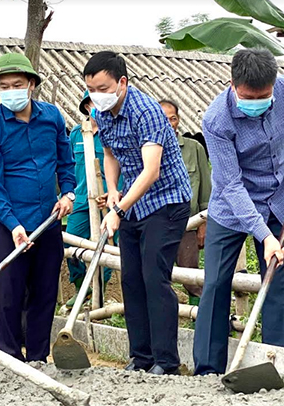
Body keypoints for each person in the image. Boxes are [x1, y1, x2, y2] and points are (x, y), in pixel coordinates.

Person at [193, 49, 284, 376]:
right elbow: (231, 185)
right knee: (216, 283)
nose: (257, 101)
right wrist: (265, 236)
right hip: (232, 208)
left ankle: (278, 365)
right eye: (249, 96)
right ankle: (207, 369)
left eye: (264, 96)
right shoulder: (216, 119)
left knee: (276, 286)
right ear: (233, 84)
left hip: (279, 200)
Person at [85, 51, 192, 375]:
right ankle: (140, 357)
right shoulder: (101, 113)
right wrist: (114, 188)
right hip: (132, 201)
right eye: (91, 88)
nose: (96, 95)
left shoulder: (146, 112)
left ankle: (166, 361)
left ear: (122, 82)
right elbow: (109, 153)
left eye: (102, 87)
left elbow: (151, 172)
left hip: (166, 201)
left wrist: (117, 208)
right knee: (131, 280)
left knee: (153, 277)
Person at [0, 53, 76, 362]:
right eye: (3, 86)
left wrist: (69, 194)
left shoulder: (52, 118)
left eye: (17, 84)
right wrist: (14, 224)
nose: (10, 91)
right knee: (10, 292)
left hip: (48, 218)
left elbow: (65, 161)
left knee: (45, 290)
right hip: (10, 223)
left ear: (31, 85)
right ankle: (10, 356)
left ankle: (37, 356)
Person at [64, 91, 122, 309]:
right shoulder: (77, 134)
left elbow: (123, 167)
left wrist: (115, 193)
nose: (95, 108)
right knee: (70, 240)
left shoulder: (114, 131)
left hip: (108, 199)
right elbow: (69, 167)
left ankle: (99, 289)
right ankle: (82, 288)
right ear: (86, 107)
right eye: (91, 104)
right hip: (81, 198)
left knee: (106, 245)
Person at [160, 99, 211, 304]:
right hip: (158, 222)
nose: (169, 123)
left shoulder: (194, 148)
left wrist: (203, 224)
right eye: (164, 119)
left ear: (178, 120)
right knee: (158, 276)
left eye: (173, 118)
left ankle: (199, 317)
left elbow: (205, 188)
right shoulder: (147, 148)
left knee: (191, 278)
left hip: (188, 224)